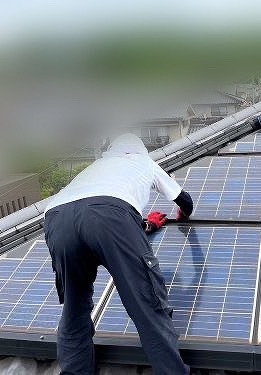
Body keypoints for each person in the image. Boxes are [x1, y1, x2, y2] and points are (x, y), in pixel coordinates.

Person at [43, 133, 192, 375]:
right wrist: (183, 214)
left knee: (75, 305)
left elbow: (87, 210)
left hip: (57, 219)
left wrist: (143, 225)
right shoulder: (145, 163)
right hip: (111, 215)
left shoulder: (97, 166)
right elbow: (184, 200)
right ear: (139, 151)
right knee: (147, 303)